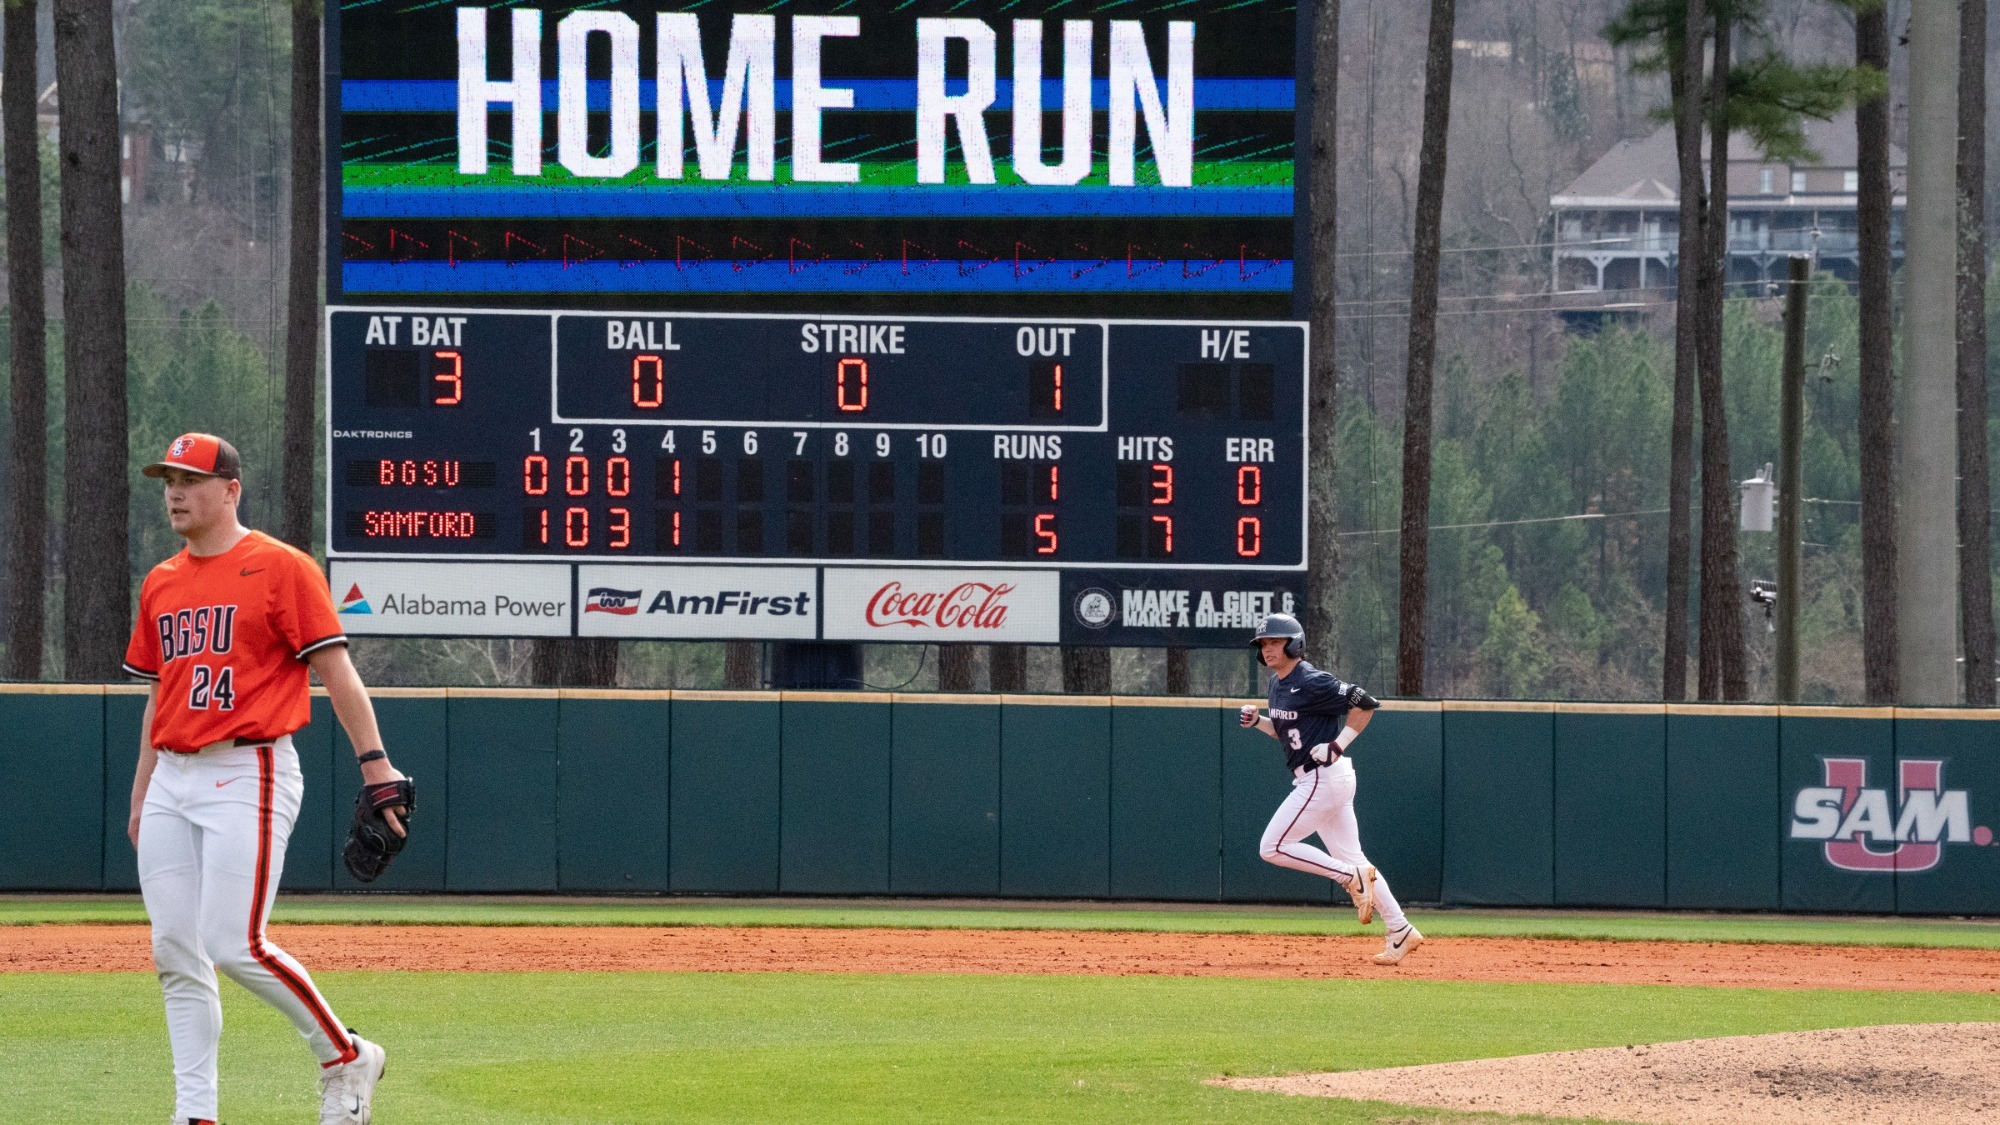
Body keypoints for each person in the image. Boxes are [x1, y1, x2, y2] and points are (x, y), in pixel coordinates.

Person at [122, 433, 407, 1124]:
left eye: (191, 478)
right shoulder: (162, 580)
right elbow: (161, 694)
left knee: (232, 941)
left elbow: (337, 672)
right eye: (169, 478)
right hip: (172, 778)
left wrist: (377, 765)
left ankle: (344, 1054)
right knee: (175, 951)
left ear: (230, 489)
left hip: (248, 767)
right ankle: (195, 1112)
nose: (175, 490)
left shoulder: (281, 567)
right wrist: (142, 791)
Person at [1237, 612, 1422, 965]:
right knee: (1356, 859)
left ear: (1294, 644)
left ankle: (1349, 878)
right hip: (1321, 779)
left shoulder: (1311, 680)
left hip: (1324, 776)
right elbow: (1287, 731)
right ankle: (1400, 930)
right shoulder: (1278, 683)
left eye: (1275, 641)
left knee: (1272, 847)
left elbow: (1366, 704)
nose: (1267, 648)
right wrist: (1258, 722)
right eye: (1263, 643)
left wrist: (1338, 743)